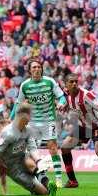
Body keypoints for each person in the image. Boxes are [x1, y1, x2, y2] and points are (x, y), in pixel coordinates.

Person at [0, 103, 57, 196]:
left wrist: (38, 161)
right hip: (12, 168)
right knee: (44, 193)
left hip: (22, 158)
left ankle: (47, 183)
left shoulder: (28, 130)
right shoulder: (8, 133)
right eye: (29, 115)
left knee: (29, 161)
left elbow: (32, 148)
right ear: (21, 116)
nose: (31, 118)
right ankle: (41, 189)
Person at [10, 58, 67, 188]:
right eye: (34, 67)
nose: (37, 69)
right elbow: (18, 104)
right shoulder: (25, 85)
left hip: (49, 120)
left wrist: (62, 103)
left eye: (39, 67)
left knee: (52, 148)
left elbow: (61, 96)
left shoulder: (49, 82)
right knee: (32, 151)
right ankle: (39, 176)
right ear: (29, 70)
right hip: (33, 122)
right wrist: (11, 118)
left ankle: (58, 178)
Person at [61, 73, 98, 188]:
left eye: (76, 81)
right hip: (83, 127)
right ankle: (72, 181)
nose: (74, 83)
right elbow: (65, 100)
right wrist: (63, 106)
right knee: (65, 147)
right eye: (71, 82)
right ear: (66, 84)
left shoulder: (87, 95)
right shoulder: (66, 94)